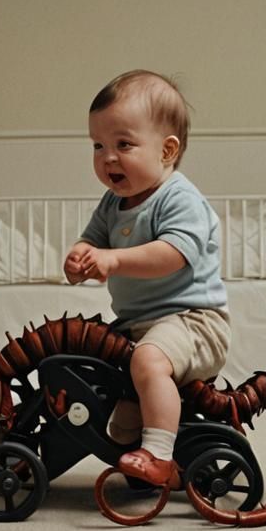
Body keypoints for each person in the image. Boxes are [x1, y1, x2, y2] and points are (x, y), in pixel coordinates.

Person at [64, 70, 230, 487]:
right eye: (98, 145)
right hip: (140, 325)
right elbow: (92, 240)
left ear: (167, 150)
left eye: (123, 144)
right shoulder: (112, 202)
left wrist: (114, 259)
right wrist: (80, 256)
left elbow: (171, 255)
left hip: (194, 323)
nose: (108, 157)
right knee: (113, 401)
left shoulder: (179, 198)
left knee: (148, 361)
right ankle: (133, 449)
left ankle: (159, 455)